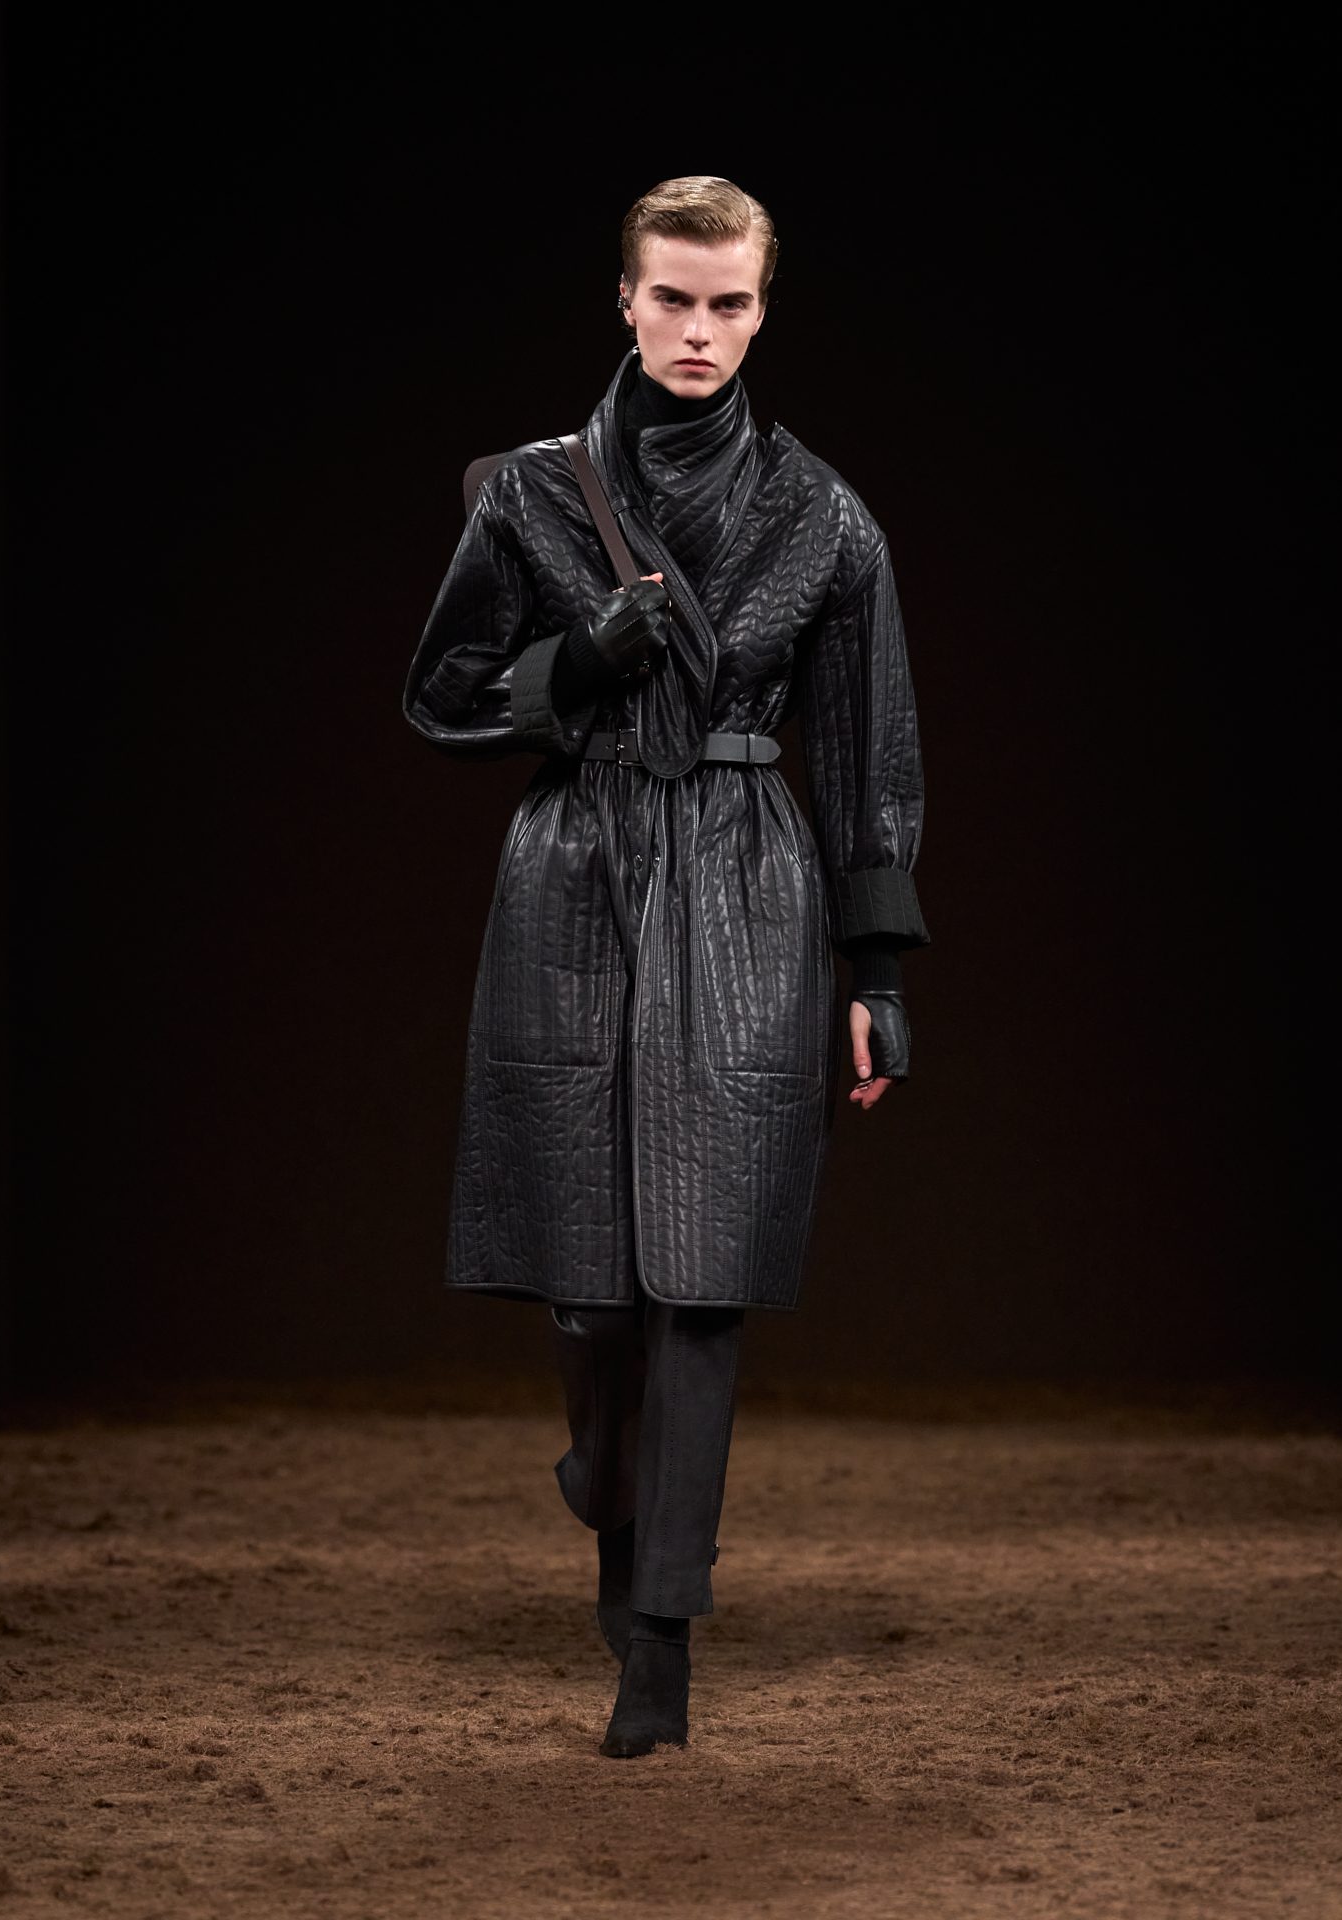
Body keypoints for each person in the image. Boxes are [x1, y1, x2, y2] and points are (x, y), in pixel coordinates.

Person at [401, 176, 930, 1758]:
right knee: (590, 1287)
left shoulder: (823, 516)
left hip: (748, 877)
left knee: (703, 1277)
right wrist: (577, 662)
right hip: (575, 869)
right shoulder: (531, 494)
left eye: (730, 303)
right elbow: (440, 692)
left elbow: (871, 751)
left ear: (765, 310)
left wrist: (878, 974)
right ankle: (610, 1484)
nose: (701, 330)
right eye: (674, 299)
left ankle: (660, 1637)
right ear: (625, 301)